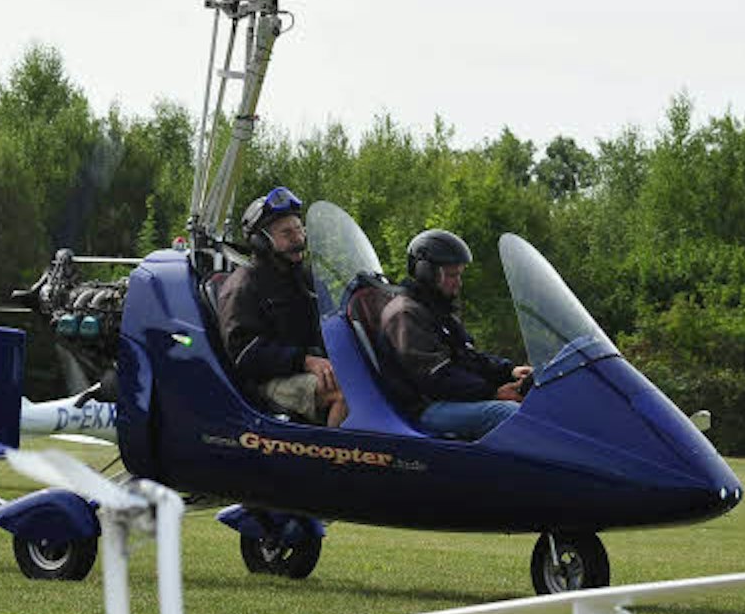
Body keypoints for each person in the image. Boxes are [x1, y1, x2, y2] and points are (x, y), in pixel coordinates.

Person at [377, 229, 533, 440]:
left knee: (537, 402)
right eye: (452, 275)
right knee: (510, 414)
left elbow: (468, 357)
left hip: (448, 398)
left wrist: (510, 371)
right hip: (425, 407)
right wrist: (493, 393)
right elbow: (437, 378)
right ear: (426, 273)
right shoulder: (405, 314)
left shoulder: (436, 309)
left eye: (459, 274)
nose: (459, 283)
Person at [214, 186, 348, 427]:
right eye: (287, 233)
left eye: (299, 229)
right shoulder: (244, 286)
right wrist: (305, 361)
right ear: (261, 242)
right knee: (345, 392)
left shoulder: (304, 279)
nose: (298, 239)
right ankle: (335, 452)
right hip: (269, 380)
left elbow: (331, 321)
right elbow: (244, 354)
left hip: (308, 366)